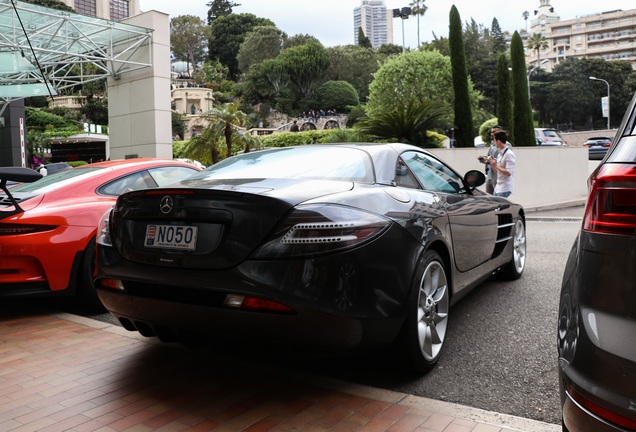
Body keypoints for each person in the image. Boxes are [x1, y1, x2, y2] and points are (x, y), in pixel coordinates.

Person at [487, 129, 515, 198]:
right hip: (498, 187)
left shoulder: (509, 154)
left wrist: (495, 165)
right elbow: (497, 171)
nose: (494, 143)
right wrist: (492, 163)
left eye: (494, 140)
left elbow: (508, 172)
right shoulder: (500, 154)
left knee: (498, 207)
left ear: (498, 141)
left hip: (505, 188)